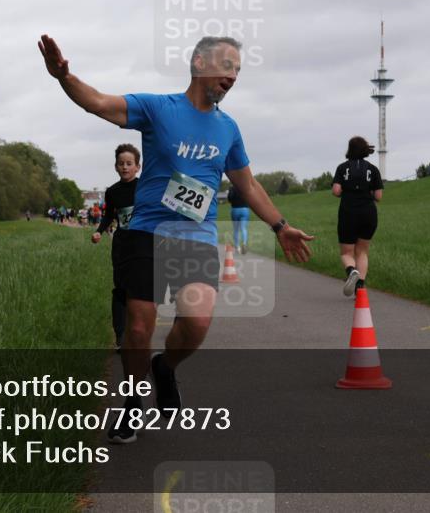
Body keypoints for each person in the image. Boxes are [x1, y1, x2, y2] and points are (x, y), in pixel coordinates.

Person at [39, 33, 314, 444]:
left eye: (238, 70)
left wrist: (280, 225)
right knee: (138, 327)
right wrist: (65, 77)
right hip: (146, 232)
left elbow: (248, 184)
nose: (233, 76)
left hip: (196, 236)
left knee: (197, 322)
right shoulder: (158, 108)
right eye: (227, 66)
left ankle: (164, 366)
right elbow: (97, 102)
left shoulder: (228, 128)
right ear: (199, 63)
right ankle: (133, 401)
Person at [92, 143, 141, 352]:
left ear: (137, 167)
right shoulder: (112, 192)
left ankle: (138, 331)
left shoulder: (145, 187)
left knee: (140, 288)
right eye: (121, 163)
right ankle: (120, 337)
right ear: (115, 167)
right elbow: (108, 216)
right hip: (122, 244)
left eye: (129, 163)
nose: (125, 167)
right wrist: (99, 231)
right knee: (120, 289)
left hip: (142, 243)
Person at [331, 136, 384, 300]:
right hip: (368, 213)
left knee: (347, 252)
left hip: (348, 212)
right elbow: (379, 196)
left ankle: (351, 271)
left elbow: (336, 191)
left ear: (350, 149)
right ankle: (360, 287)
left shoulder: (342, 168)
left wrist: (348, 191)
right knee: (362, 251)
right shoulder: (373, 169)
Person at [227, 184, 250, 254]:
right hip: (244, 209)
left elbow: (229, 199)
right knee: (243, 228)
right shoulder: (244, 186)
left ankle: (237, 247)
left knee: (236, 230)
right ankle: (244, 243)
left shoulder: (232, 188)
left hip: (235, 209)